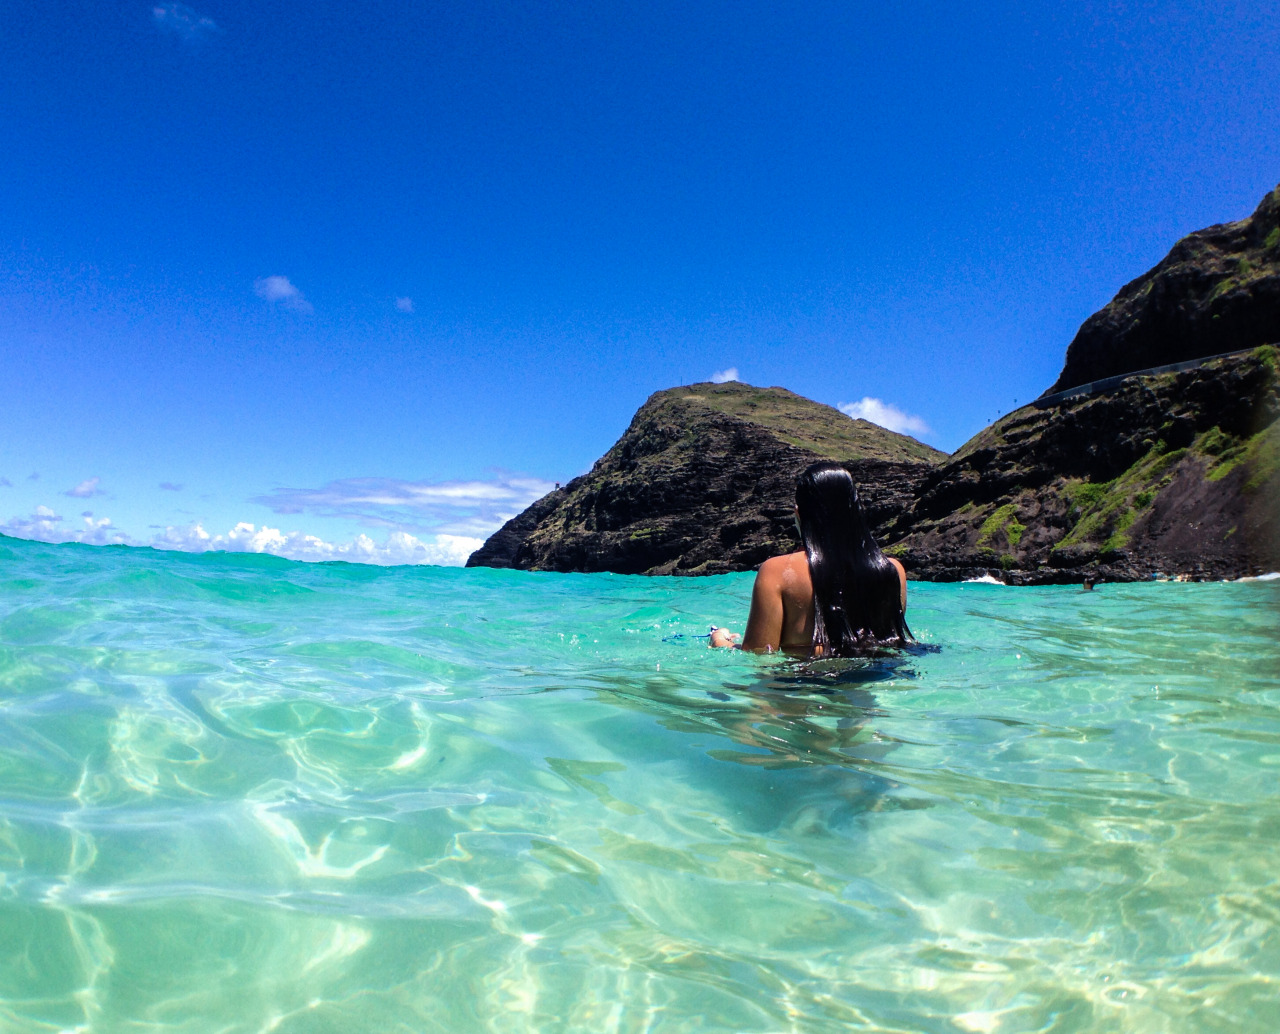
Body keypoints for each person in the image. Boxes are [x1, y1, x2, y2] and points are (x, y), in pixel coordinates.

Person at [709, 462, 912, 656]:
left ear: (799, 513)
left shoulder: (776, 571)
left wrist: (720, 640)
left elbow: (758, 656)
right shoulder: (894, 570)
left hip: (807, 685)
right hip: (880, 684)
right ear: (856, 510)